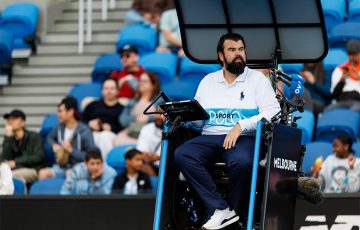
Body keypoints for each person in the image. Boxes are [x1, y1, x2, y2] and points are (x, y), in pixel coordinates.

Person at [174, 33, 280, 229]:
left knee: (241, 162)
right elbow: (199, 121)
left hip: (245, 139)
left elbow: (273, 110)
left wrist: (241, 125)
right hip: (210, 137)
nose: (238, 54)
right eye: (232, 50)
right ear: (221, 56)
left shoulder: (257, 79)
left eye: (241, 49)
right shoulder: (208, 81)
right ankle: (220, 209)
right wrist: (178, 116)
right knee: (183, 154)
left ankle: (235, 215)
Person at [38, 97, 96, 180]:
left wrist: (71, 151)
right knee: (42, 173)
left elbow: (90, 156)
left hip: (78, 166)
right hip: (61, 166)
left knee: (69, 173)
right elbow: (49, 137)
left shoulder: (85, 131)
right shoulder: (59, 127)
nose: (58, 114)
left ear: (71, 112)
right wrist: (54, 145)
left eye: (61, 111)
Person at [114, 71, 161, 146]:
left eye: (144, 81)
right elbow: (122, 120)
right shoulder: (133, 101)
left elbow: (163, 116)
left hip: (149, 134)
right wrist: (136, 118)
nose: (141, 83)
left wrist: (148, 118)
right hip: (130, 132)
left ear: (153, 85)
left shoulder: (159, 100)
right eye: (140, 81)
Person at [83, 78, 124, 159]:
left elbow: (123, 126)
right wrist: (89, 123)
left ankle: (105, 165)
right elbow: (80, 120)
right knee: (91, 137)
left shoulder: (121, 109)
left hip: (110, 135)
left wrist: (111, 128)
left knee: (105, 136)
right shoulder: (93, 105)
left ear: (118, 91)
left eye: (112, 88)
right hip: (93, 133)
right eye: (106, 88)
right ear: (102, 90)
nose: (109, 91)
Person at [2, 109, 46, 184]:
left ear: (23, 122)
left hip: (33, 169)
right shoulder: (10, 139)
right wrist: (7, 137)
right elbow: (5, 158)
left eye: (14, 119)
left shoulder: (33, 136)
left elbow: (39, 156)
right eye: (9, 119)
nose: (10, 122)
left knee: (10, 176)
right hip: (15, 169)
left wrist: (16, 162)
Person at [327, 39, 360, 112]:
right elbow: (334, 95)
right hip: (342, 101)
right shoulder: (339, 70)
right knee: (327, 111)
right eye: (350, 55)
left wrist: (358, 77)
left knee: (354, 111)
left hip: (358, 101)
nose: (352, 58)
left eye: (355, 55)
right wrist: (342, 80)